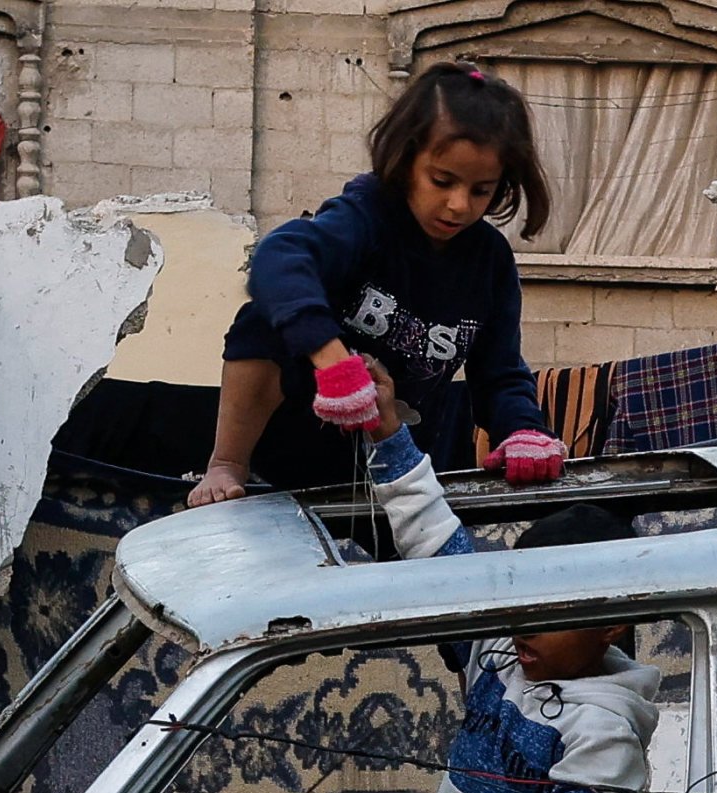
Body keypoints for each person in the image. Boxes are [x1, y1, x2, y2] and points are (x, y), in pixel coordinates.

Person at [358, 422, 665, 793]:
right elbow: (438, 551)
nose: (524, 621)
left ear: (611, 625)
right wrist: (390, 435)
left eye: (549, 611)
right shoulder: (498, 656)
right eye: (520, 600)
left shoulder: (606, 729)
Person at [194, 64, 567, 508]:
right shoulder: (366, 219)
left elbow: (500, 371)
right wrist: (333, 363)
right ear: (406, 160)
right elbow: (279, 257)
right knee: (261, 321)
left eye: (481, 190)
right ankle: (225, 462)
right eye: (442, 181)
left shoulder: (490, 263)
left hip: (392, 458)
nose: (458, 205)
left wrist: (525, 430)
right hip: (283, 451)